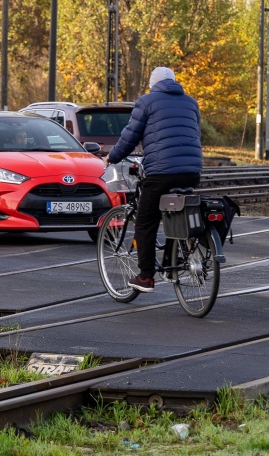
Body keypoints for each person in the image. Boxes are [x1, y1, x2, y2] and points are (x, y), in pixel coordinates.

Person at [106, 66, 203, 293]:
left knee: (145, 221)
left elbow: (130, 135)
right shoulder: (191, 102)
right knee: (174, 211)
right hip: (192, 171)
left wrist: (113, 156)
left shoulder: (147, 101)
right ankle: (172, 264)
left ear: (153, 84)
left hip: (161, 172)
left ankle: (146, 277)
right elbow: (193, 134)